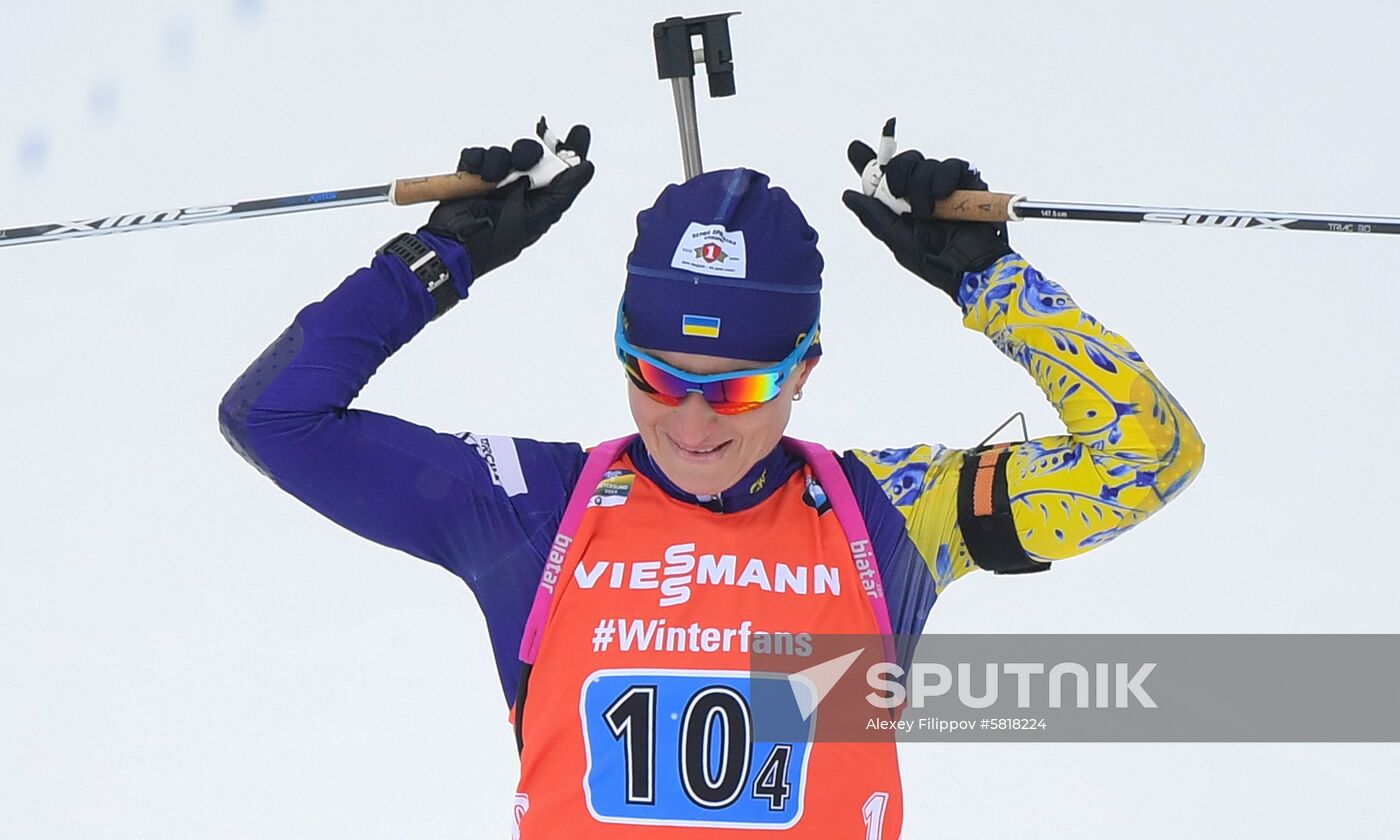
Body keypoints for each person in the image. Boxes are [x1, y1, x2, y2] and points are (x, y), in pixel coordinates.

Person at [218, 121, 1204, 838]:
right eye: (654, 375)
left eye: (735, 389)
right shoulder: (533, 512)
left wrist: (992, 284)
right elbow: (271, 418)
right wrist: (443, 255)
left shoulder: (888, 515)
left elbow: (1148, 456)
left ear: (804, 370)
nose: (689, 424)